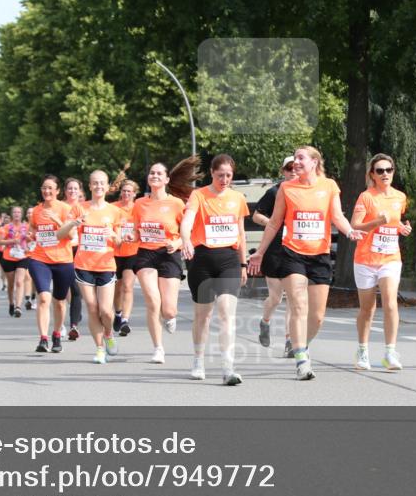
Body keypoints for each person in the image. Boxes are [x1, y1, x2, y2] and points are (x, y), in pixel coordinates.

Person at [247, 146, 364, 380]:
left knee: (317, 315)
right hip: (292, 254)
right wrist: (260, 252)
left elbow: (337, 216)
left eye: (301, 158)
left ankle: (303, 344)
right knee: (298, 305)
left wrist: (350, 231)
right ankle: (301, 358)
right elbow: (274, 223)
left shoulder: (329, 186)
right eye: (294, 158)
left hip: (320, 255)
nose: (296, 162)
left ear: (314, 162)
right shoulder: (286, 188)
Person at [180, 154, 249, 385]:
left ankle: (228, 367)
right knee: (203, 315)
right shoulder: (199, 195)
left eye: (229, 175)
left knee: (226, 313)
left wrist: (243, 263)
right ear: (212, 173)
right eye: (221, 175)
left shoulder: (238, 198)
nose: (225, 179)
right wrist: (186, 239)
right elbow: (187, 220)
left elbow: (241, 233)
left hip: (229, 259)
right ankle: (198, 360)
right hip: (203, 260)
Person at [126, 158, 199, 364]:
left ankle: (170, 316)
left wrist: (176, 244)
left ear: (167, 179)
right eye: (152, 173)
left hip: (168, 255)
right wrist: (132, 236)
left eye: (159, 173)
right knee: (153, 301)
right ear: (148, 179)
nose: (155, 176)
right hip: (146, 254)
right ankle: (158, 348)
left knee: (168, 309)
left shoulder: (176, 203)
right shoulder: (140, 203)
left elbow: (187, 232)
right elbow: (135, 229)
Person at [350, 154, 412, 371]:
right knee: (367, 309)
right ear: (372, 175)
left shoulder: (400, 197)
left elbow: (396, 223)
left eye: (389, 169)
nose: (385, 174)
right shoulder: (366, 197)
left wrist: (402, 229)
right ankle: (362, 351)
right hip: (366, 259)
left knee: (390, 302)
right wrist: (377, 221)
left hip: (390, 258)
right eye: (380, 171)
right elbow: (355, 226)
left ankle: (390, 353)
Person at [60, 170, 124, 364]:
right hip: (84, 265)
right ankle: (98, 349)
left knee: (106, 310)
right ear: (89, 186)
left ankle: (109, 334)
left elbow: (120, 242)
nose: (98, 186)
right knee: (92, 307)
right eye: (94, 183)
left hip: (105, 265)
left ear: (107, 186)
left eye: (102, 183)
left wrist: (113, 236)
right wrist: (73, 223)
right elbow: (60, 234)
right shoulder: (80, 208)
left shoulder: (114, 211)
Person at [252, 156, 298, 357]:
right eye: (289, 168)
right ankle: (265, 321)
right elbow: (255, 215)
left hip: (295, 249)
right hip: (274, 249)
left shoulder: (305, 192)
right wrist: (273, 222)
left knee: (293, 298)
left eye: (296, 167)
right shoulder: (273, 192)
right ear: (283, 171)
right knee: (276, 298)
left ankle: (290, 340)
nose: (293, 171)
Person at [26, 175, 76, 354]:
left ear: (57, 191)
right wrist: (32, 234)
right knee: (44, 298)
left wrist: (56, 219)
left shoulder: (65, 208)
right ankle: (43, 339)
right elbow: (32, 227)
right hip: (40, 259)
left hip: (63, 260)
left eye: (50, 188)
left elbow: (70, 236)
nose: (46, 191)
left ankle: (56, 333)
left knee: (60, 302)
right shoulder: (36, 211)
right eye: (44, 188)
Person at [112, 180, 140, 337]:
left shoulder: (138, 208)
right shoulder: (114, 208)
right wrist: (118, 224)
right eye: (124, 191)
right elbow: (106, 225)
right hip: (115, 253)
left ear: (135, 194)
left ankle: (125, 320)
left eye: (130, 191)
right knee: (118, 288)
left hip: (132, 252)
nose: (126, 194)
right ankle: (117, 312)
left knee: (128, 286)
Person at [0, 206, 31, 318]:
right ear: (12, 214)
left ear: (22, 214)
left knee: (19, 282)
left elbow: (33, 239)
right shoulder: (6, 227)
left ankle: (18, 307)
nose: (17, 214)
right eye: (15, 212)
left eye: (19, 212)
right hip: (9, 257)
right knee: (11, 284)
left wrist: (28, 239)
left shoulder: (27, 227)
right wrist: (12, 240)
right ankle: (11, 303)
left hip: (22, 257)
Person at [62, 178, 85, 341]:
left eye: (75, 189)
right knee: (63, 289)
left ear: (80, 191)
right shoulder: (60, 208)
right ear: (65, 191)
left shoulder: (85, 209)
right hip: (62, 250)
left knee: (76, 289)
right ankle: (61, 324)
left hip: (79, 250)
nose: (72, 191)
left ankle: (74, 326)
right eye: (70, 188)